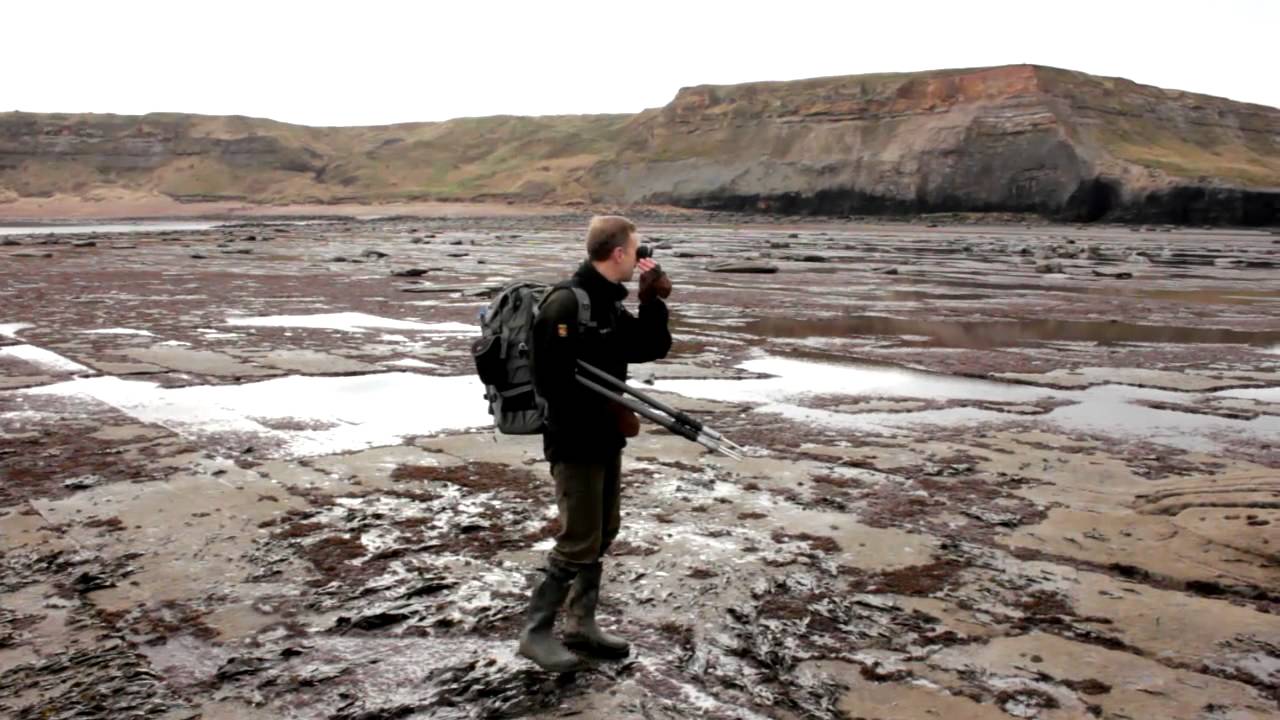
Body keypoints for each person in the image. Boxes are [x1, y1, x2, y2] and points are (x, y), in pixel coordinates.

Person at [519, 215, 673, 672]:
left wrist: (652, 300)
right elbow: (549, 382)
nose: (641, 258)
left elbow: (648, 347)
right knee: (578, 539)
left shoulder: (607, 304)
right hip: (574, 441)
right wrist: (603, 409)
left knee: (603, 532)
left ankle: (581, 623)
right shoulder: (566, 303)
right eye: (637, 250)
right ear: (619, 252)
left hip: (605, 438)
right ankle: (535, 633)